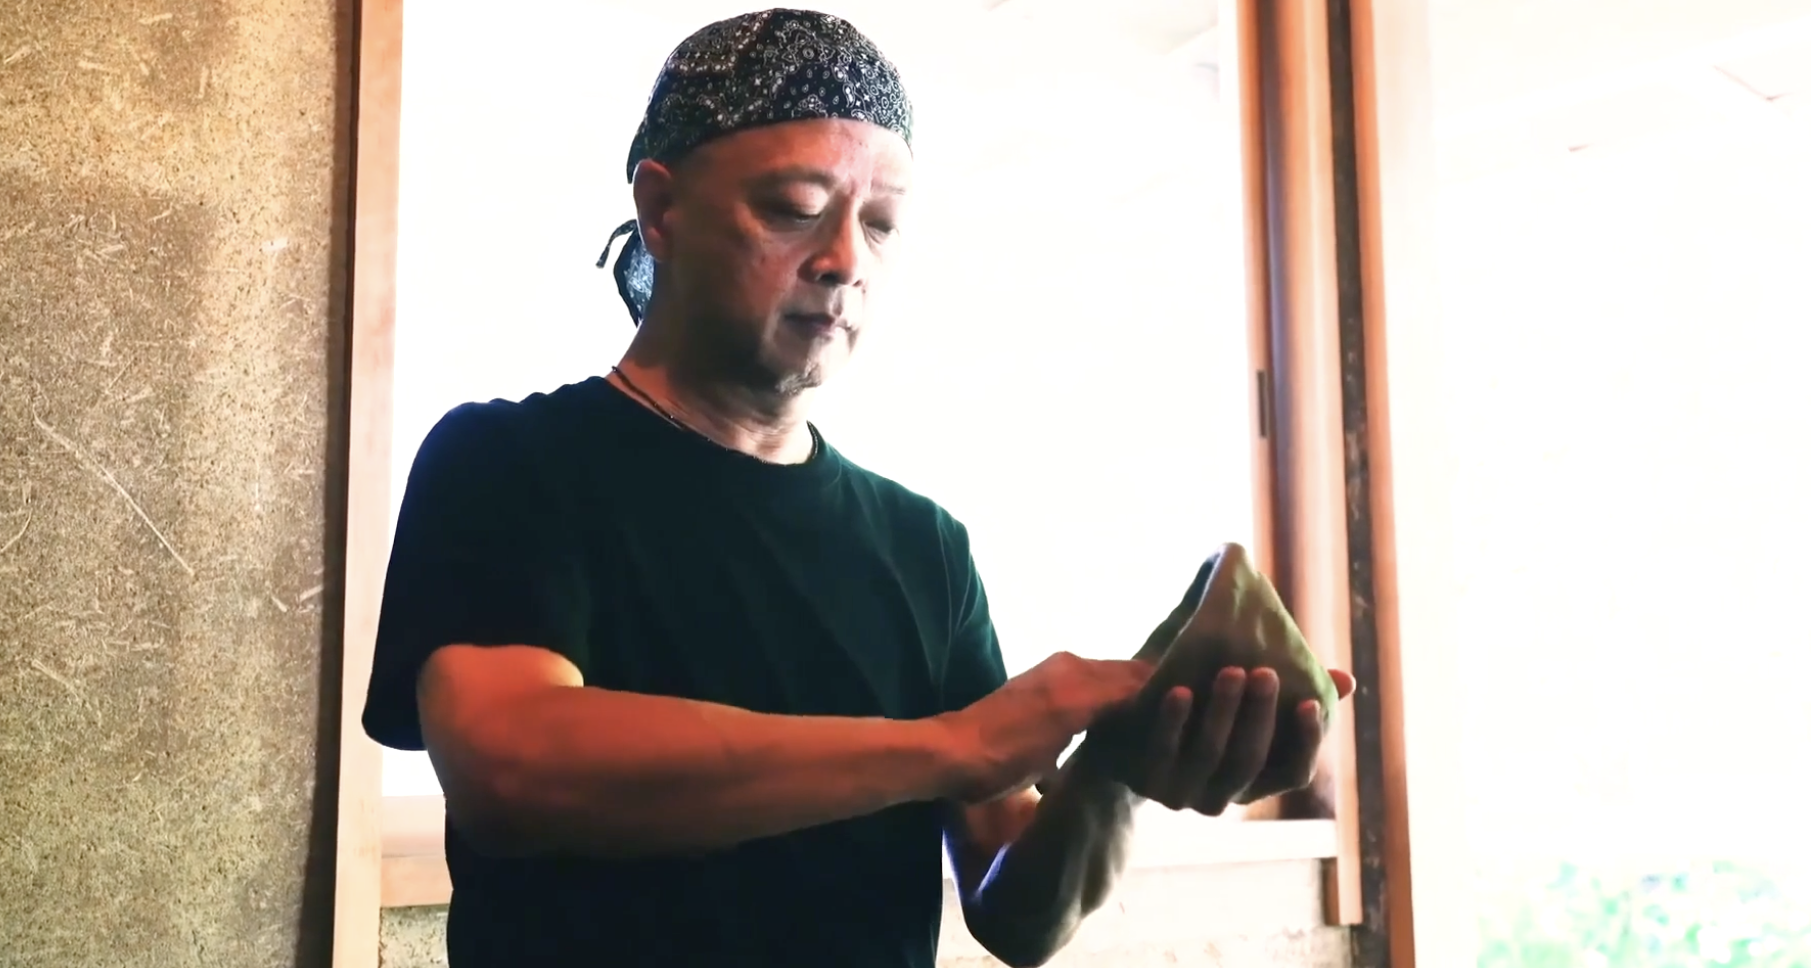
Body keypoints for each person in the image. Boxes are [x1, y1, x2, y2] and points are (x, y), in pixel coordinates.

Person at [362, 9, 1356, 968]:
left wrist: (1114, 767)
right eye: (794, 209)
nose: (844, 261)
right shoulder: (510, 461)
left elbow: (1017, 914)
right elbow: (514, 768)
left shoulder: (923, 547)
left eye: (880, 225)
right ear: (661, 211)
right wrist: (948, 744)